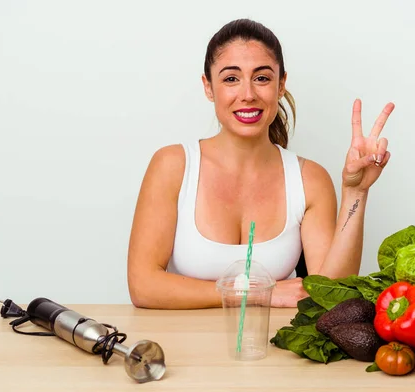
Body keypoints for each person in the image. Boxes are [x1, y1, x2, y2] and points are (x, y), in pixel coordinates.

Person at [127, 19, 394, 309]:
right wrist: (256, 293)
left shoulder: (309, 179)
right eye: (231, 79)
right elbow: (143, 285)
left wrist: (356, 192)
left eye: (262, 78)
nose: (248, 95)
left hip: (272, 350)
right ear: (208, 87)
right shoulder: (173, 165)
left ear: (281, 85)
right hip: (184, 350)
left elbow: (328, 293)